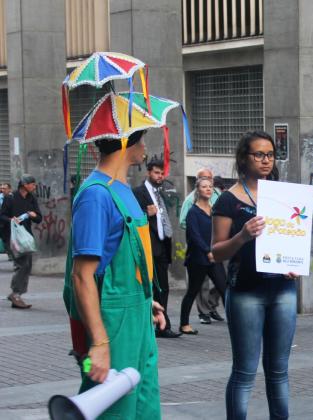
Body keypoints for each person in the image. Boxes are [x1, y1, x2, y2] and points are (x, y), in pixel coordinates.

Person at [64, 130, 166, 418]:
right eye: (141, 139)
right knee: (114, 411)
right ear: (125, 143)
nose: (145, 146)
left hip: (138, 316)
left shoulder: (121, 189)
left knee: (145, 408)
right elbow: (82, 276)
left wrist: (146, 301)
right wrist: (98, 342)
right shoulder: (95, 196)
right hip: (114, 323)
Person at [211, 130, 300, 420]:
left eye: (270, 155)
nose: (265, 160)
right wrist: (241, 237)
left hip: (283, 292)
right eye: (259, 154)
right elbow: (217, 252)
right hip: (246, 293)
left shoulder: (282, 195)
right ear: (243, 158)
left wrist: (292, 263)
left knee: (279, 372)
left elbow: (293, 238)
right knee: (245, 371)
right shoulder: (228, 200)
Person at [133, 159, 181, 338]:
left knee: (164, 287)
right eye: (156, 173)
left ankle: (161, 323)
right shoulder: (138, 192)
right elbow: (131, 218)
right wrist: (147, 214)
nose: (160, 176)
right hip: (149, 246)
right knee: (153, 287)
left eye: (162, 173)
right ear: (148, 173)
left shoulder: (160, 194)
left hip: (162, 245)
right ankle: (162, 325)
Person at [179, 177, 227, 335]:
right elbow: (195, 236)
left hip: (214, 258)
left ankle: (237, 322)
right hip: (198, 259)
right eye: (204, 186)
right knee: (192, 291)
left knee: (225, 289)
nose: (208, 189)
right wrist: (208, 252)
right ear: (197, 190)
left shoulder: (214, 210)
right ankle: (184, 324)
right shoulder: (193, 212)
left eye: (210, 187)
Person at [1, 175, 42, 309]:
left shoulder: (32, 198)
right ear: (25, 184)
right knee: (22, 264)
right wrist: (11, 220)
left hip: (26, 237)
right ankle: (16, 294)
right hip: (12, 236)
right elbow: (2, 216)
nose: (34, 186)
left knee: (27, 264)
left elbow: (39, 218)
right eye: (32, 184)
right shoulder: (10, 197)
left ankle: (16, 293)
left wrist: (34, 216)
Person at [0, 182, 11, 255]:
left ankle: (10, 254)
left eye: (4, 188)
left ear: (9, 189)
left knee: (7, 239)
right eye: (2, 188)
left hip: (8, 222)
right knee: (4, 239)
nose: (2, 190)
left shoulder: (12, 198)